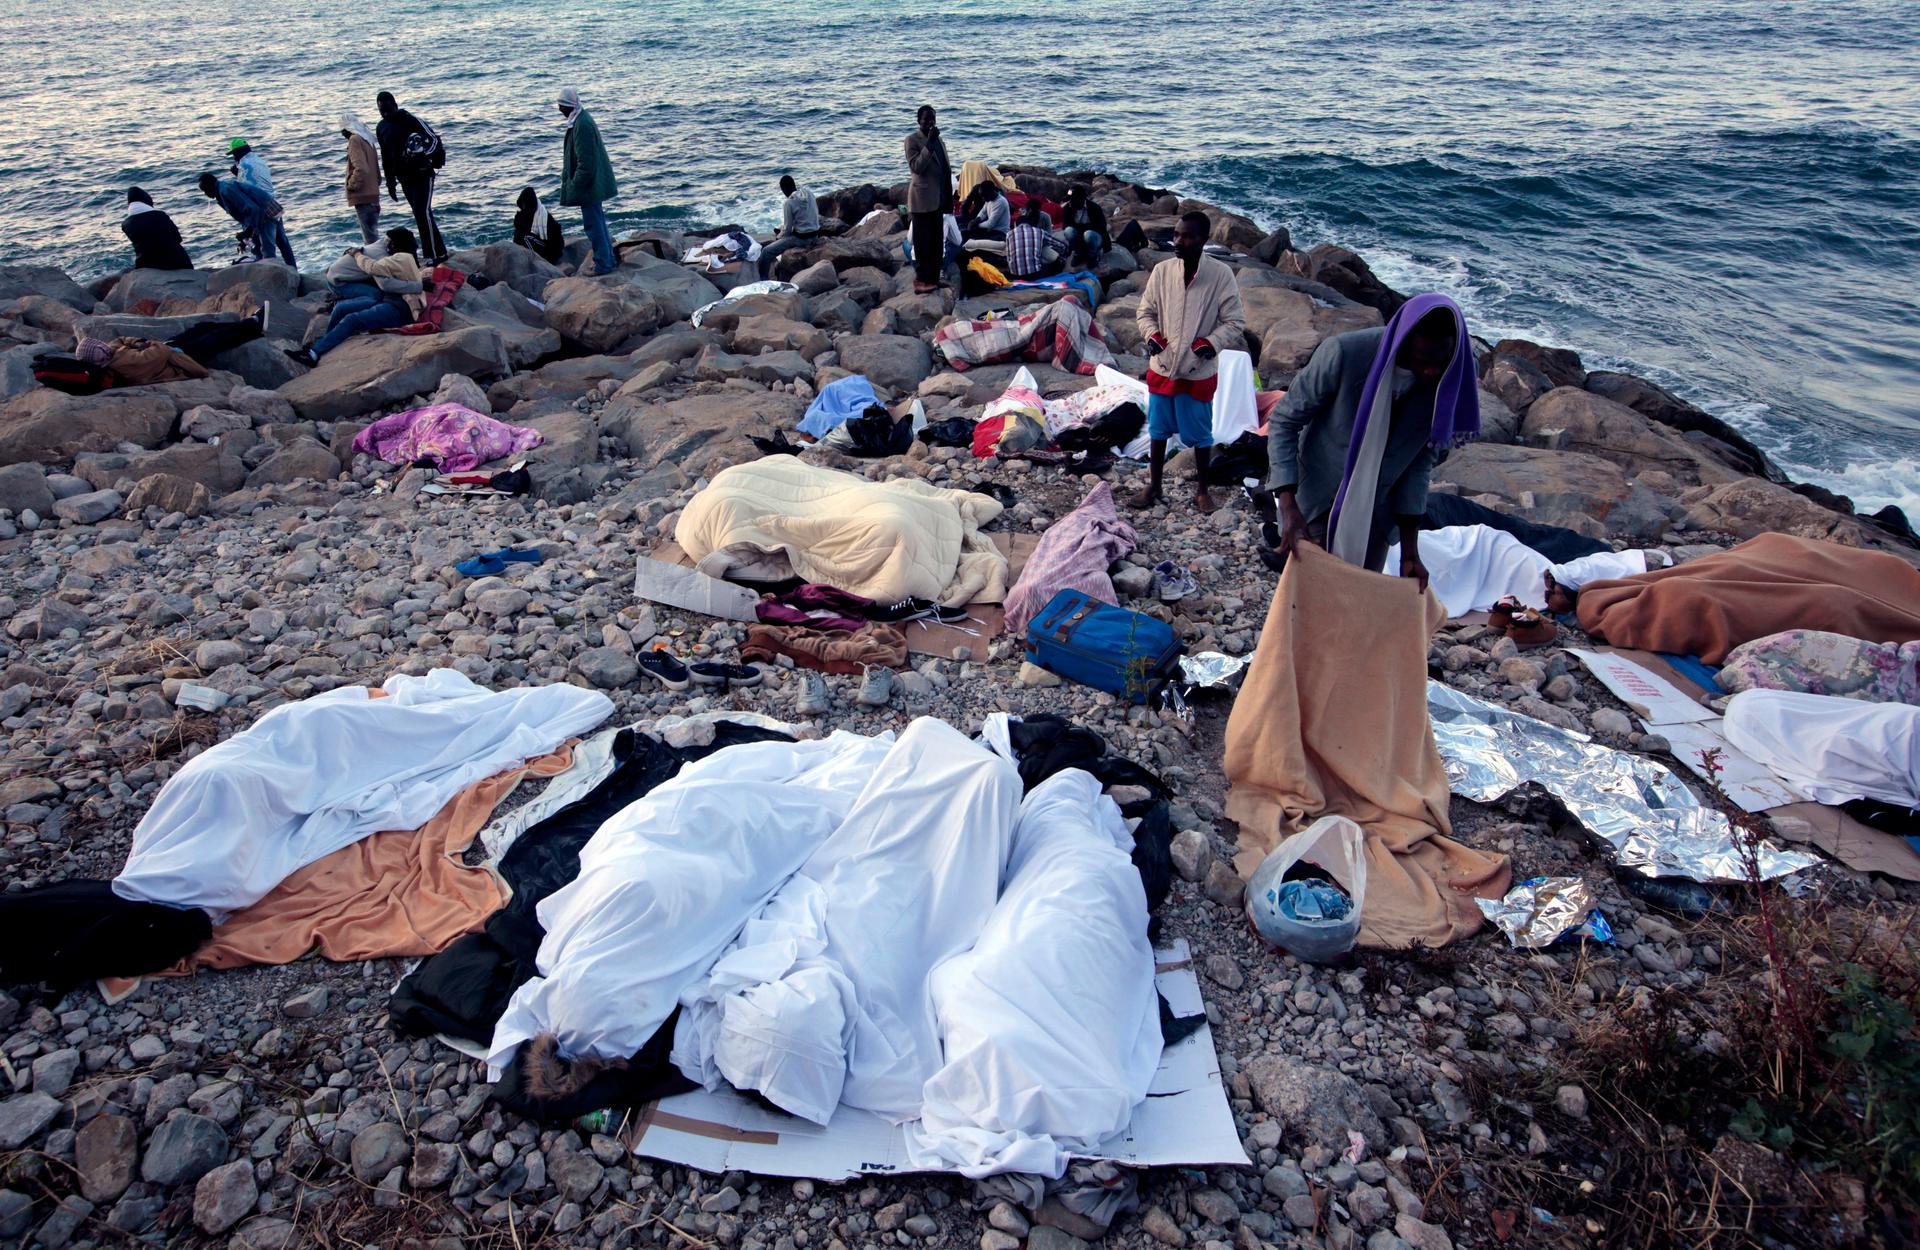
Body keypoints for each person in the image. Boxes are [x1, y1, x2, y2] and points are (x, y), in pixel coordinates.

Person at [1266, 293, 1480, 583]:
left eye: (1439, 362)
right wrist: (1288, 505)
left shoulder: (1450, 375)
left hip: (1378, 512)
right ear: (1403, 341)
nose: (1431, 371)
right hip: (1317, 500)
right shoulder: (1344, 354)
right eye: (1423, 361)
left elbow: (1418, 464)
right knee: (1305, 596)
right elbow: (1284, 421)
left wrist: (1409, 552)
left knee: (1358, 597)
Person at [1132, 211, 1246, 513]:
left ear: (1203, 240)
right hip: (1163, 364)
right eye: (1177, 234)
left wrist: (1211, 343)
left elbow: (1234, 322)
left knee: (1200, 434)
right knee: (1158, 429)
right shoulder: (1162, 271)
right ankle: (1154, 486)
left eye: (1187, 236)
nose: (1178, 241)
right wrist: (1151, 335)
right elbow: (1145, 312)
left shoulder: (1221, 275)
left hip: (1197, 370)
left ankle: (1202, 491)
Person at [286, 228, 427, 366]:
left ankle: (313, 354)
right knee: (340, 308)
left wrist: (357, 254)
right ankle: (321, 345)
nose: (389, 245)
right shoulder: (393, 259)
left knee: (352, 319)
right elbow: (374, 269)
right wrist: (358, 255)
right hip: (384, 300)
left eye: (393, 244)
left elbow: (381, 278)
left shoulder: (401, 262)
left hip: (397, 309)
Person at [376, 91, 448, 263]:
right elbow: (386, 157)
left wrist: (423, 155)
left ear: (395, 105)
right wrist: (390, 183)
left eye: (388, 110)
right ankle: (441, 252)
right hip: (404, 177)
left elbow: (435, 141)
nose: (386, 114)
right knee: (421, 214)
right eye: (382, 111)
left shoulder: (410, 120)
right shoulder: (381, 127)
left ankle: (431, 255)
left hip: (423, 174)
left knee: (422, 213)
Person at [556, 88, 619, 275]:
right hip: (593, 185)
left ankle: (603, 265)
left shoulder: (581, 125)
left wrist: (576, 184)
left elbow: (586, 164)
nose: (559, 108)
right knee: (598, 222)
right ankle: (608, 260)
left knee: (594, 226)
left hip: (589, 187)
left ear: (569, 105)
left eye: (561, 105)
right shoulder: (580, 119)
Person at [904, 105, 953, 294]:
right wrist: (929, 144)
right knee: (922, 243)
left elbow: (945, 170)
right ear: (919, 121)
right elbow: (916, 167)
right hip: (922, 199)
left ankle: (933, 278)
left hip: (938, 199)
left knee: (936, 242)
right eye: (926, 119)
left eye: (932, 118)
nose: (930, 122)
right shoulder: (912, 140)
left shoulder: (939, 140)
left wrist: (948, 198)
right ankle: (921, 281)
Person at [226, 138, 296, 266]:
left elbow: (246, 191)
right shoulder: (259, 161)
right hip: (273, 205)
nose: (233, 158)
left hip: (261, 209)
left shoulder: (243, 165)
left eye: (234, 154)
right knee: (283, 243)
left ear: (239, 152)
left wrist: (237, 174)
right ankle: (293, 269)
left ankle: (270, 275)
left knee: (265, 248)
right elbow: (256, 183)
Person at [198, 172, 280, 264]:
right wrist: (245, 239)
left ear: (211, 184)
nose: (205, 194)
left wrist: (247, 232)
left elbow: (253, 209)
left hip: (264, 213)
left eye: (205, 190)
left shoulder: (226, 191)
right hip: (262, 212)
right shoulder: (221, 191)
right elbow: (246, 215)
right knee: (261, 249)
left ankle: (272, 274)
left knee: (267, 252)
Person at [757, 174, 822, 279]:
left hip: (802, 239)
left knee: (766, 252)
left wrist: (778, 237)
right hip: (815, 235)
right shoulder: (809, 193)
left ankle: (762, 279)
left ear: (784, 189)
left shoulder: (789, 202)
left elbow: (787, 230)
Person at [121, 187, 192, 270]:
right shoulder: (160, 216)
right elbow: (178, 238)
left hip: (147, 265)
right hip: (176, 262)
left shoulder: (126, 224)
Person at [340, 114, 382, 244]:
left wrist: (351, 185)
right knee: (374, 233)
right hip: (373, 193)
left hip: (362, 194)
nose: (342, 135)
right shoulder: (367, 139)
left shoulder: (354, 140)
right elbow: (375, 169)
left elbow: (361, 168)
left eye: (342, 130)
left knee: (369, 238)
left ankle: (374, 263)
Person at [1003, 201, 1061, 279]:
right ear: (1029, 210)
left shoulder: (1045, 217)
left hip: (1042, 245)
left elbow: (1049, 235)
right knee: (1055, 262)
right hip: (1033, 248)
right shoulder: (1025, 221)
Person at [513, 187, 565, 264]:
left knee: (525, 237)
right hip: (540, 245)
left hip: (550, 249)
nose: (523, 206)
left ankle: (534, 260)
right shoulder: (523, 215)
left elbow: (555, 240)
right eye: (522, 203)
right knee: (519, 235)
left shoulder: (543, 216)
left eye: (525, 203)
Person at [1062, 185, 1108, 264]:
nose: (1070, 202)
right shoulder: (1067, 208)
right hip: (1079, 237)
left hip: (1095, 237)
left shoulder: (1094, 208)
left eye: (1072, 200)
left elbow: (1102, 226)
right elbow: (1065, 226)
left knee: (1088, 234)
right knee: (1068, 231)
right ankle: (1078, 254)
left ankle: (1092, 256)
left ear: (1081, 198)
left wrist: (1081, 228)